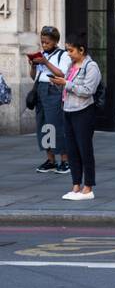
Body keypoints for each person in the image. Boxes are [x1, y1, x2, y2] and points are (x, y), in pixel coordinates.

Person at [52, 37, 101, 201]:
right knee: (72, 150)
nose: (68, 53)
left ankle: (88, 187)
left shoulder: (91, 66)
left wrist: (66, 83)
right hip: (68, 109)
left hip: (83, 111)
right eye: (67, 50)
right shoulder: (71, 66)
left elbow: (88, 90)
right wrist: (59, 83)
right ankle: (76, 185)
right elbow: (68, 86)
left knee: (84, 150)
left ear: (81, 50)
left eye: (71, 50)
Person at [28, 26, 70, 174]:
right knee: (44, 125)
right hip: (40, 90)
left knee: (56, 125)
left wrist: (45, 62)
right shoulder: (42, 55)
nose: (44, 45)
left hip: (53, 90)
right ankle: (51, 160)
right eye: (42, 42)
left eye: (47, 42)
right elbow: (34, 76)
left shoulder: (62, 55)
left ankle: (65, 160)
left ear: (55, 41)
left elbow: (62, 74)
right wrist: (33, 65)